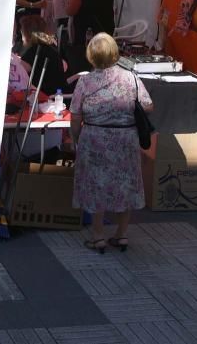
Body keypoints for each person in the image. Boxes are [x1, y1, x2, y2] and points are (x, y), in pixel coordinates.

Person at [70, 33, 152, 253]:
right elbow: (147, 105)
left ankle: (98, 237)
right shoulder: (131, 78)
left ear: (91, 56)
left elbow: (76, 115)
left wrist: (76, 138)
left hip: (94, 138)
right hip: (125, 139)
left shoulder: (85, 82)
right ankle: (122, 234)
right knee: (124, 184)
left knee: (96, 185)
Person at [67, 0, 115, 70]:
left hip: (86, 34)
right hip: (105, 29)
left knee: (85, 64)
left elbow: (70, 11)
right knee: (102, 63)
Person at [19, 14, 71, 96]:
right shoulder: (51, 47)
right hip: (57, 95)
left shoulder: (34, 51)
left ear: (27, 33)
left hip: (42, 98)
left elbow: (18, 73)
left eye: (22, 31)